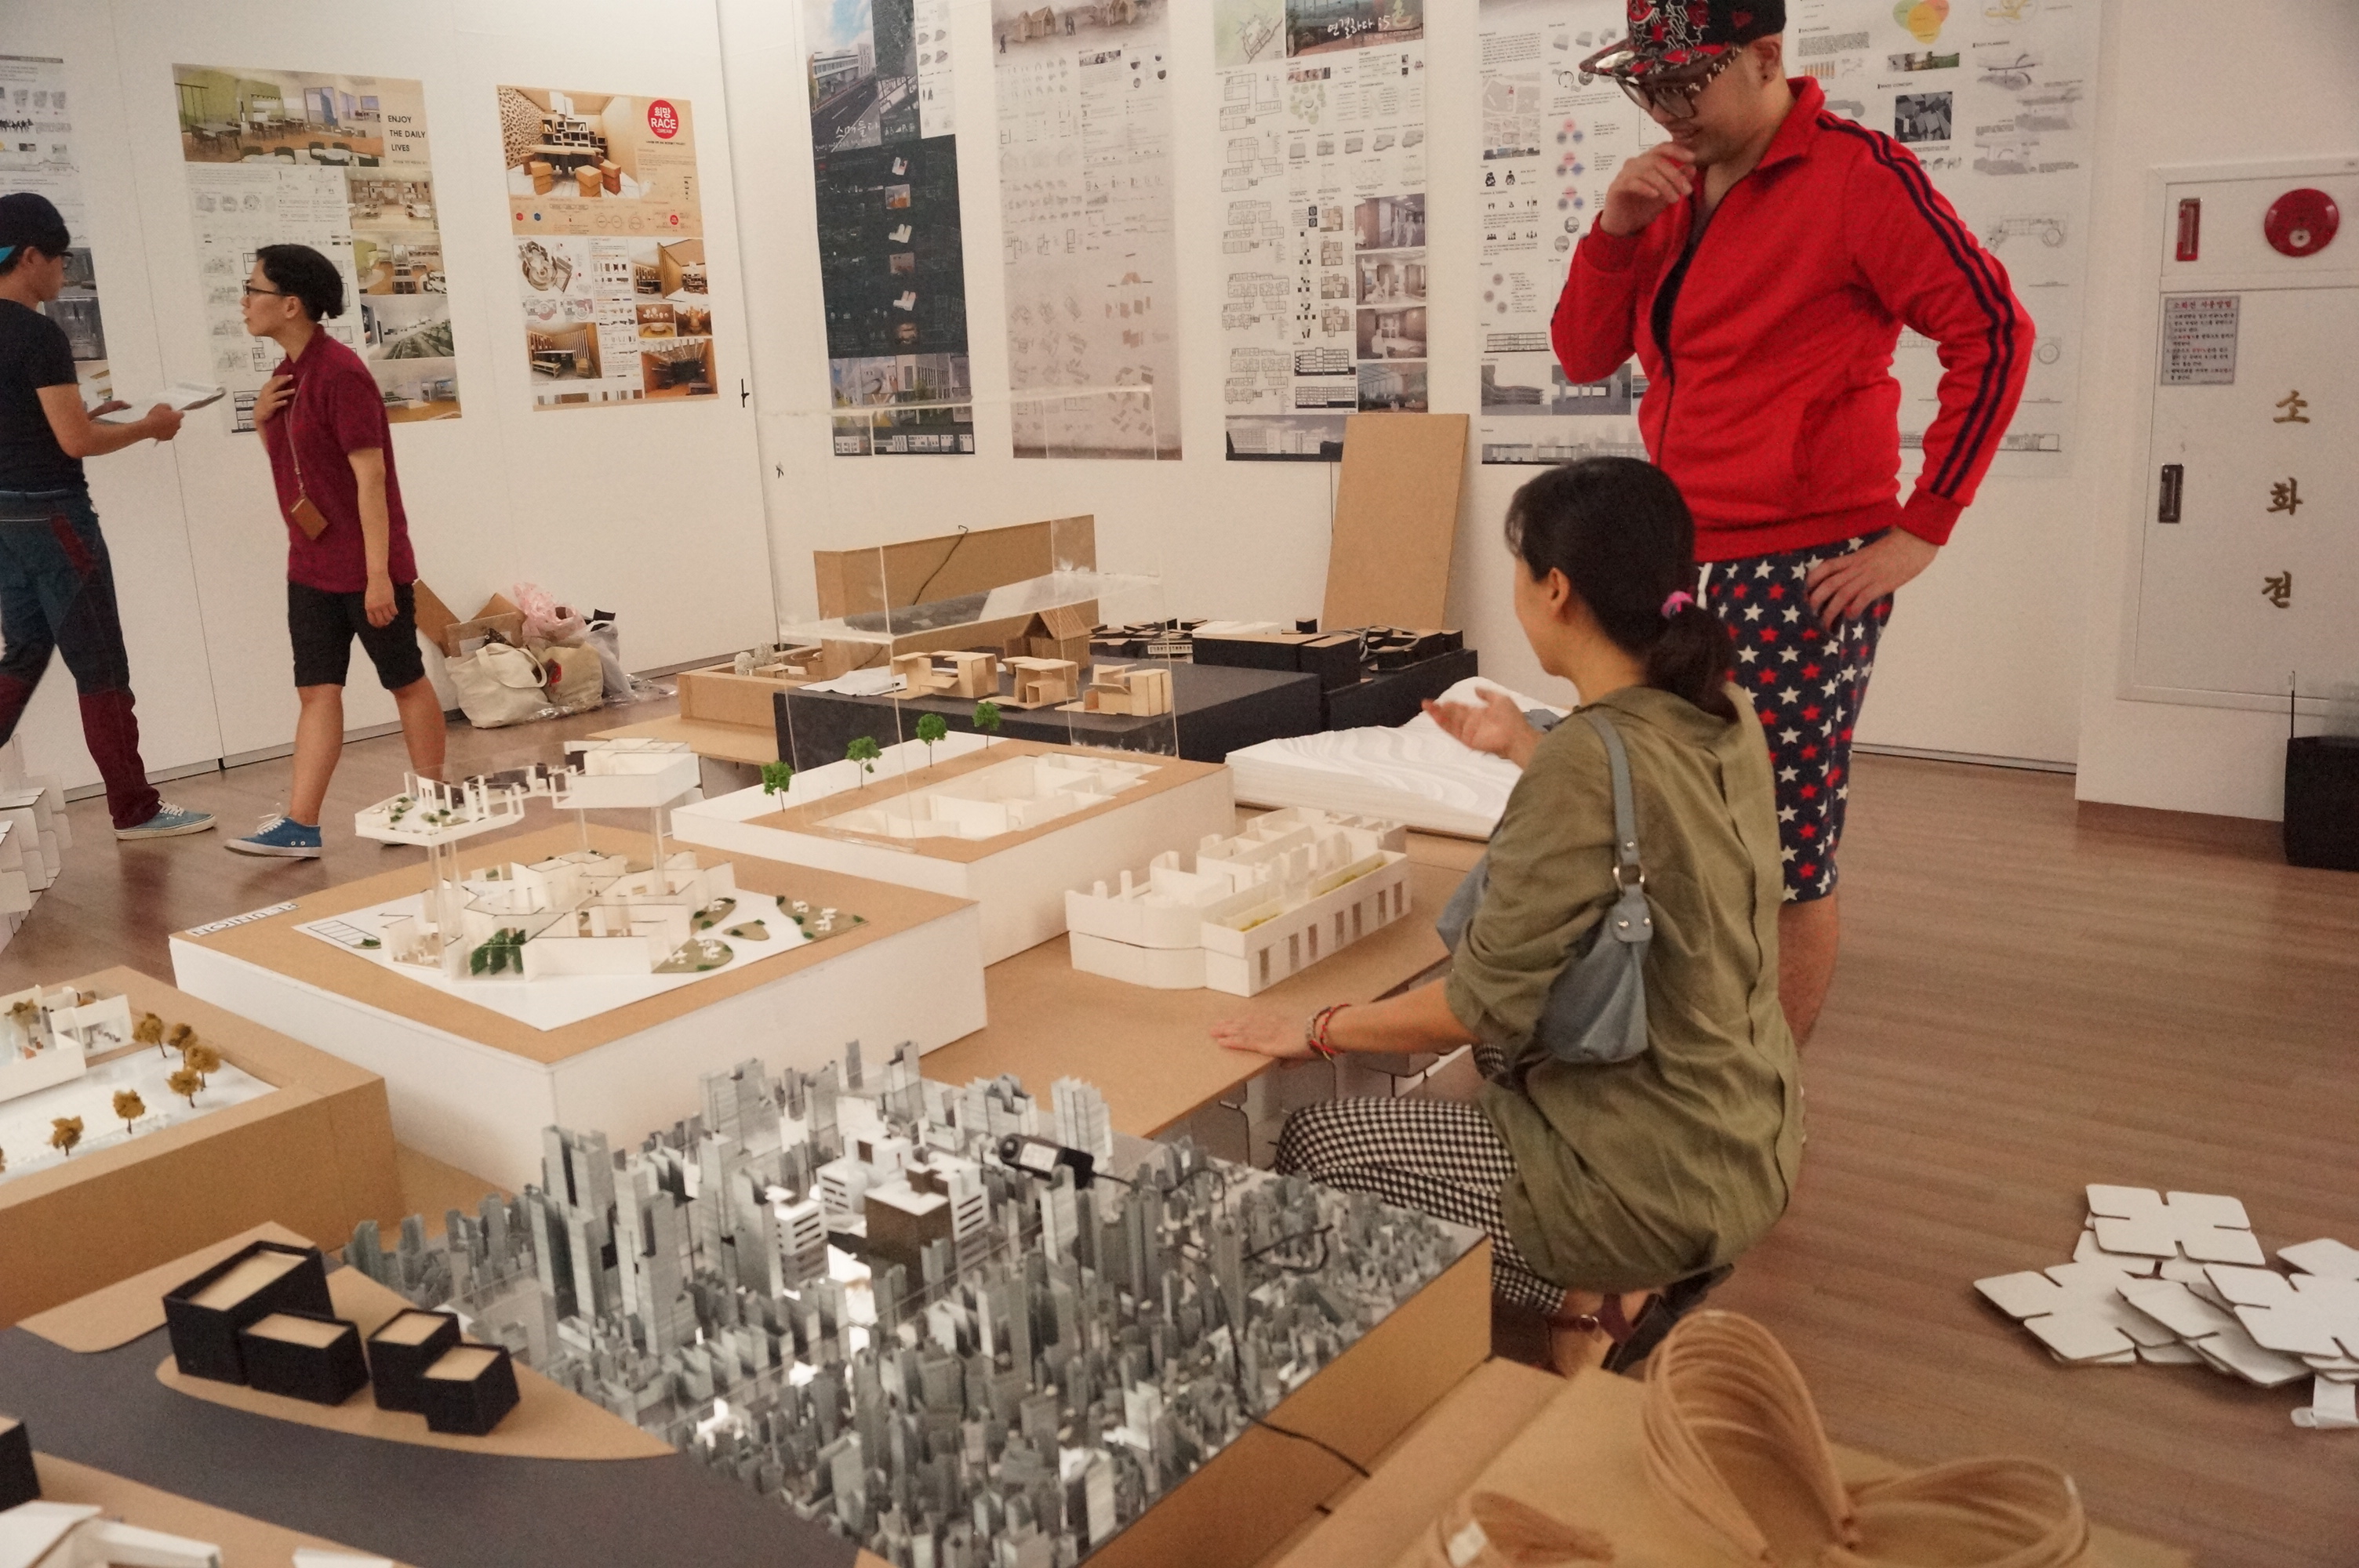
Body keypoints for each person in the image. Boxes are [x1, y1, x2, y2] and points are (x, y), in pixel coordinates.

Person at [1214, 458, 1801, 1375]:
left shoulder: (1585, 760)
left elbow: (1474, 1005)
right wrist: (1529, 746)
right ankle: (1606, 1283)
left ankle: (1585, 1291)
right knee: (1495, 1065)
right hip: (1752, 1129)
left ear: (1554, 588)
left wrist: (1315, 1027)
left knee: (1315, 1144)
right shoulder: (1724, 711)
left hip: (1658, 1178)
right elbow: (1645, 816)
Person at [1552, 0, 2030, 1044]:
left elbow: (1993, 332)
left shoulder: (1857, 176)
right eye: (1649, 86)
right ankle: (1699, 1053)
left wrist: (1923, 527)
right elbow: (1585, 355)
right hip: (1681, 556)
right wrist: (1615, 231)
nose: (1667, 109)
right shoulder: (1669, 189)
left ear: (1766, 57)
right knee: (1681, 817)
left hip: (1800, 564)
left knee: (1784, 848)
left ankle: (1765, 1098)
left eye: (1688, 83)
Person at [0, 192, 213, 841]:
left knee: (25, 653)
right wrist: (151, 426)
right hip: (55, 517)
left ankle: (134, 805)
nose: (63, 272)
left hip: (4, 521)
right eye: (60, 259)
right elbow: (74, 443)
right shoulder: (38, 333)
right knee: (101, 666)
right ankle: (135, 809)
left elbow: (30, 425)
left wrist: (87, 417)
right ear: (30, 256)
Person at [229, 242, 442, 858]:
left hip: (365, 565)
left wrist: (378, 576)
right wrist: (263, 421)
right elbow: (296, 468)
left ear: (290, 304)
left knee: (404, 679)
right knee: (317, 689)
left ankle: (434, 802)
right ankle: (302, 823)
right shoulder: (287, 376)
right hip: (311, 565)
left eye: (254, 290)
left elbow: (371, 480)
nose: (244, 301)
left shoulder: (341, 373)